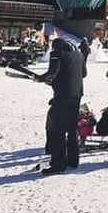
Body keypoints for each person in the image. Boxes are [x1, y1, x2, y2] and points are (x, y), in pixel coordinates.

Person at [35, 38, 87, 175]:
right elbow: (84, 74)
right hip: (77, 95)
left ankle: (58, 165)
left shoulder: (57, 53)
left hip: (62, 96)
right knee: (72, 128)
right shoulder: (79, 54)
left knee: (58, 130)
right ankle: (73, 160)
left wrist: (41, 78)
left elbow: (53, 73)